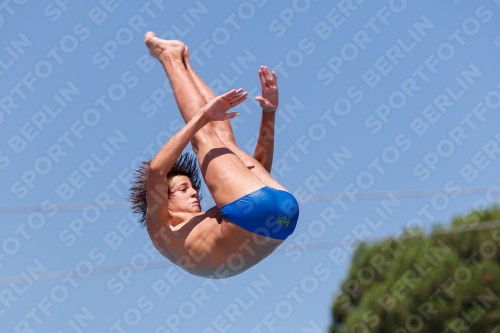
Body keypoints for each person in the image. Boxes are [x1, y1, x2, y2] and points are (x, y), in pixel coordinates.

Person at [129, 32, 299, 279]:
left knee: (224, 144)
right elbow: (157, 170)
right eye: (183, 189)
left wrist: (268, 114)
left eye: (191, 188)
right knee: (204, 138)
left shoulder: (211, 221)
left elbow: (258, 174)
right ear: (162, 200)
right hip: (270, 213)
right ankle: (170, 57)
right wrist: (202, 117)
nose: (194, 192)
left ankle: (184, 62)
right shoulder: (161, 229)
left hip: (280, 214)